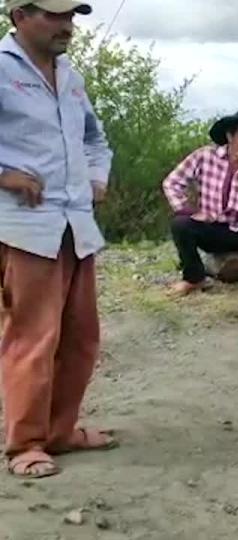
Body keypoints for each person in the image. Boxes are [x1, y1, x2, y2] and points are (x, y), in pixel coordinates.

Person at [0, 0, 117, 479]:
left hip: (75, 225)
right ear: (19, 16)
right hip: (26, 229)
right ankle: (24, 443)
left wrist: (97, 176)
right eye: (55, 16)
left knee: (81, 338)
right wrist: (4, 173)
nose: (67, 26)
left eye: (71, 17)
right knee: (33, 337)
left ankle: (60, 431)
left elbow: (95, 137)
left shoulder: (70, 75)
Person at [162, 108, 238, 301]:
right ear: (230, 136)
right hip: (211, 228)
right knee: (180, 222)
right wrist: (188, 210)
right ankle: (194, 277)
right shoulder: (204, 157)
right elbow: (171, 182)